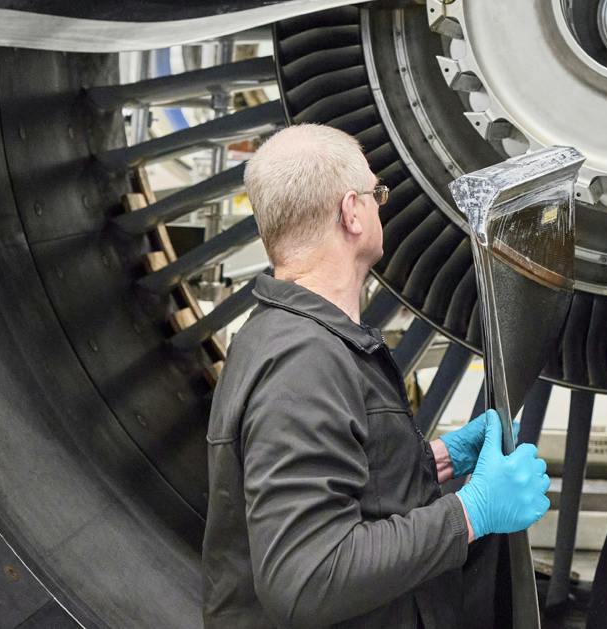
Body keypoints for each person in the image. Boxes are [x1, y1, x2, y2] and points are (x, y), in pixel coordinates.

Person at [203, 123, 551, 628]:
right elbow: (307, 578)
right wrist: (471, 513)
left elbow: (331, 488)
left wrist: (428, 464)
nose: (379, 205)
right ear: (352, 212)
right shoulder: (304, 361)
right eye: (376, 193)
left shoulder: (288, 338)